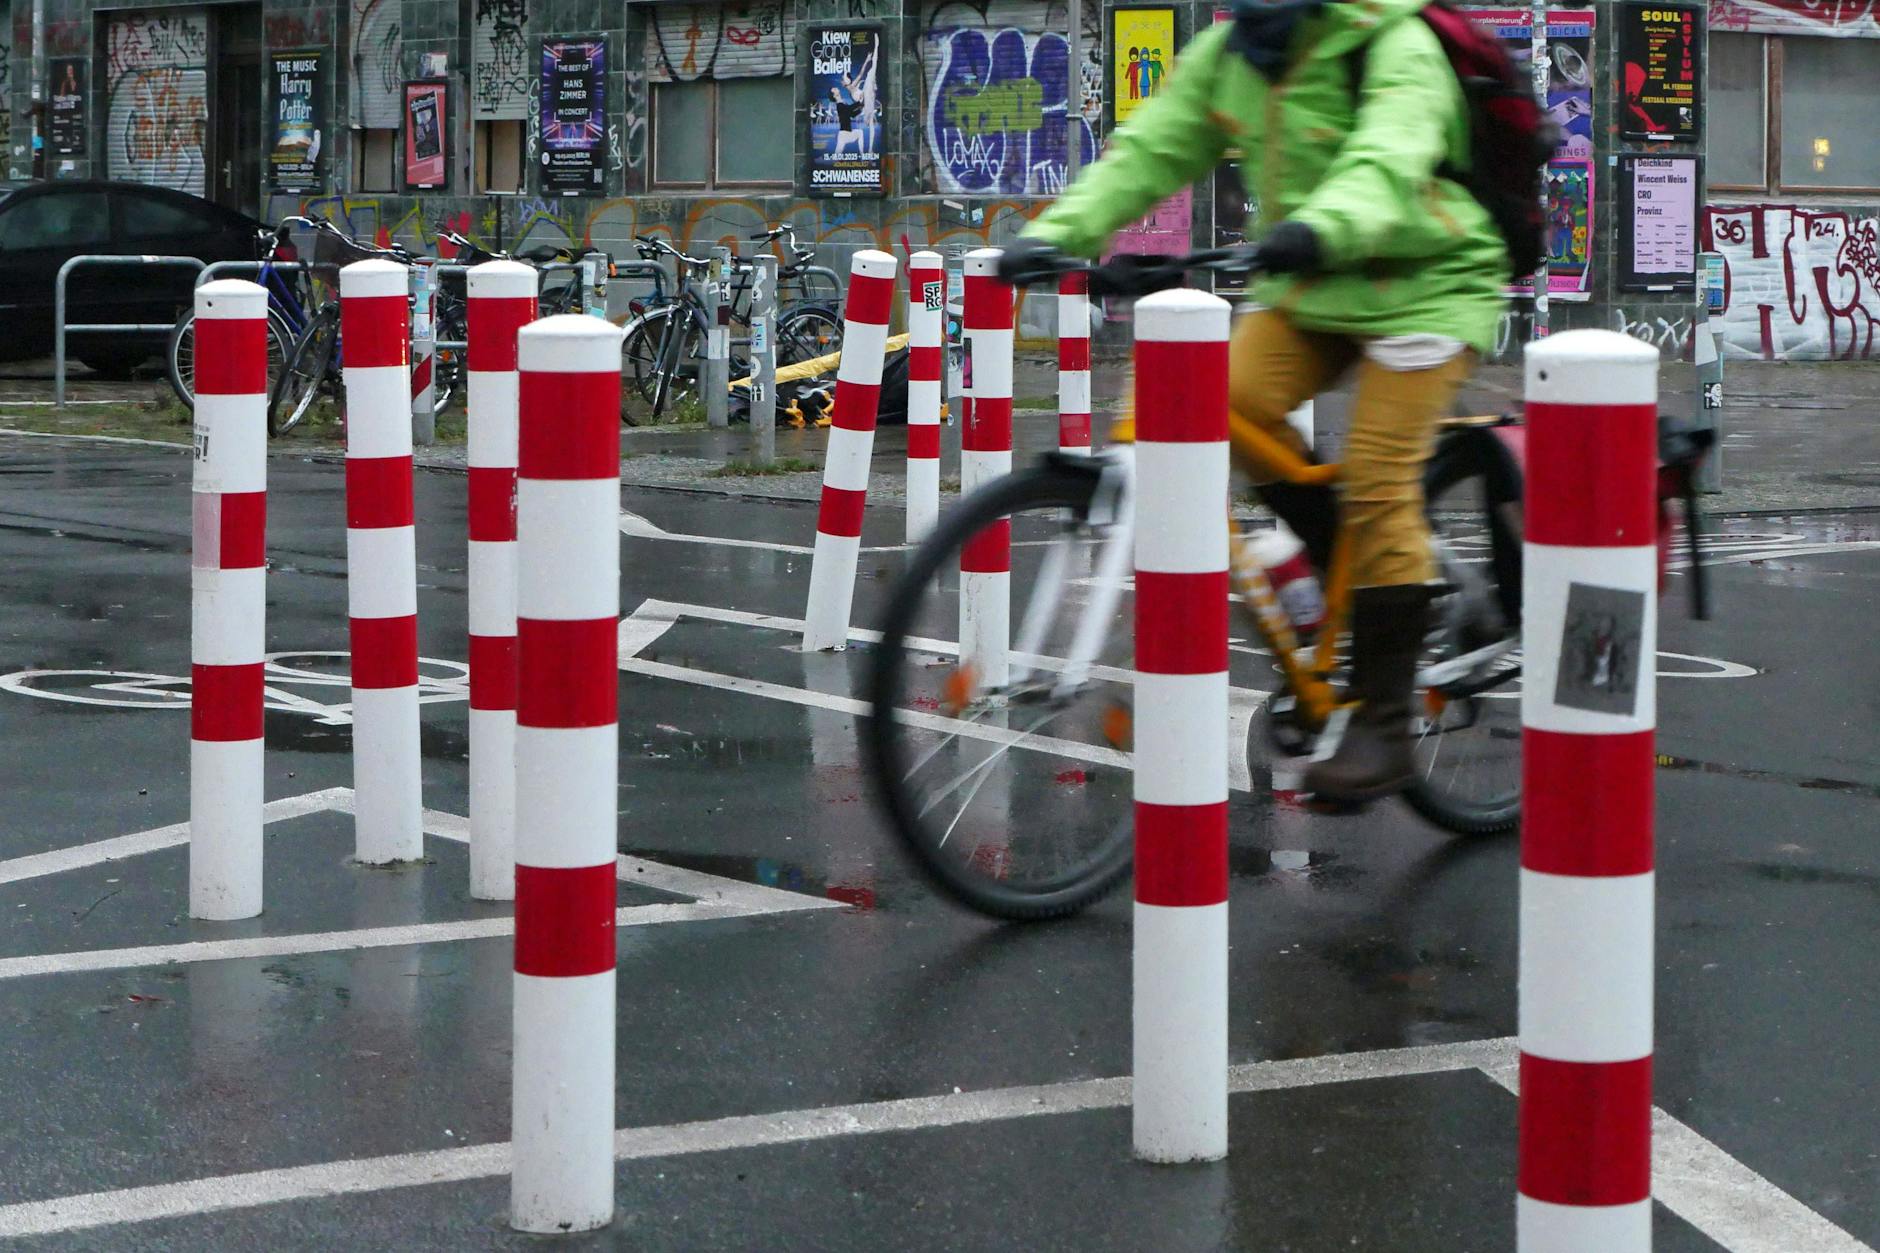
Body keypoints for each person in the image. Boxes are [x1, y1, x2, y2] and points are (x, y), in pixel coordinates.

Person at [1000, 0, 1510, 805]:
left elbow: (1390, 154)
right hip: (1311, 284)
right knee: (1216, 402)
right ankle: (1347, 556)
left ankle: (1381, 722)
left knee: (1380, 481)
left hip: (1430, 283)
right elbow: (1150, 149)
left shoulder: (1388, 38)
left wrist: (1318, 225)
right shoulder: (1232, 53)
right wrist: (1058, 232)